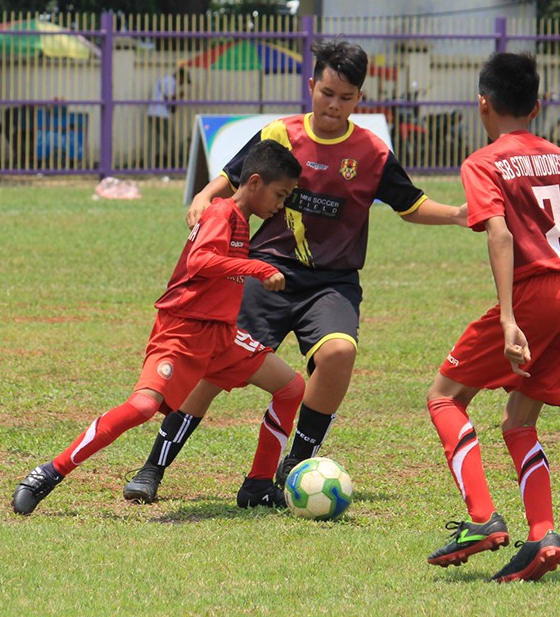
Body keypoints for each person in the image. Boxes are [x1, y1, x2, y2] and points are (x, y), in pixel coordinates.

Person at [123, 39, 467, 504]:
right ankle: (153, 467)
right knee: (212, 367)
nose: (334, 105)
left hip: (332, 282)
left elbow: (410, 204)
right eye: (327, 93)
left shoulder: (371, 152)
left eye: (346, 97)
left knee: (339, 352)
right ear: (311, 86)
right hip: (265, 271)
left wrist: (459, 214)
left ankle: (294, 467)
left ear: (359, 98)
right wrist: (204, 195)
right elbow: (234, 175)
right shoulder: (280, 134)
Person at [12, 140, 305, 514]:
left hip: (222, 336)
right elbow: (200, 261)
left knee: (290, 387)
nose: (281, 205)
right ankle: (49, 472)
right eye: (280, 195)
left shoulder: (241, 221)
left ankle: (259, 486)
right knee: (141, 406)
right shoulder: (221, 213)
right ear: (254, 182)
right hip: (182, 332)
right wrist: (257, 268)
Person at [423, 52, 560, 583]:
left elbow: (499, 234)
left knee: (444, 397)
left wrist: (508, 319)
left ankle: (482, 519)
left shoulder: (483, 162)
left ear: (483, 104)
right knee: (519, 421)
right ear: (537, 107)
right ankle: (542, 534)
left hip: (535, 293)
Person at [147, 66, 190, 168]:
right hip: (160, 114)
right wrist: (180, 96)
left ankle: (150, 165)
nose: (182, 84)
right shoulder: (171, 82)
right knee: (171, 140)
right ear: (180, 77)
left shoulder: (164, 80)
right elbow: (171, 100)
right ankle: (175, 165)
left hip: (152, 112)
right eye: (183, 81)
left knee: (155, 140)